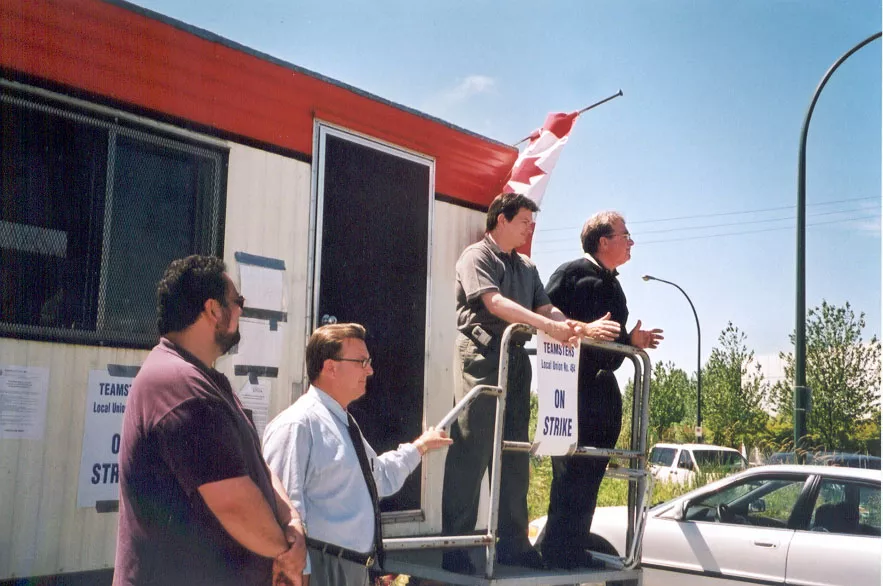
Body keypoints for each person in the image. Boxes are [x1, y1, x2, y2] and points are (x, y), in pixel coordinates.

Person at [440, 193, 620, 573]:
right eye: (523, 220)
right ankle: (455, 547)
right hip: (482, 355)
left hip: (515, 357)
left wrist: (577, 326)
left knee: (516, 451)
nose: (529, 227)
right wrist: (549, 326)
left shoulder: (526, 266)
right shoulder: (477, 256)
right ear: (500, 220)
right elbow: (495, 303)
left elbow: (547, 308)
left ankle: (514, 542)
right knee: (472, 448)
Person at [114, 255, 306, 586]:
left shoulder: (205, 381)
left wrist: (292, 521)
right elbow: (234, 503)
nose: (242, 311)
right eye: (238, 301)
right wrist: (287, 557)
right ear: (214, 310)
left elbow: (255, 465)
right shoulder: (182, 389)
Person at [263, 323, 452, 586]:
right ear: (331, 367)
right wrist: (298, 573)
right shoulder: (297, 425)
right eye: (362, 362)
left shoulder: (343, 423)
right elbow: (284, 508)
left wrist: (420, 446)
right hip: (320, 568)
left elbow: (380, 477)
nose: (370, 370)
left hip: (352, 568)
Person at [541, 211, 663, 569]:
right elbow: (544, 318)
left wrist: (631, 340)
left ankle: (572, 549)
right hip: (570, 386)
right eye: (625, 234)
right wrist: (583, 329)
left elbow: (612, 338)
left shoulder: (614, 284)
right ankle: (555, 552)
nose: (631, 241)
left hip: (601, 391)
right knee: (569, 472)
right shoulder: (571, 274)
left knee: (591, 473)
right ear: (603, 241)